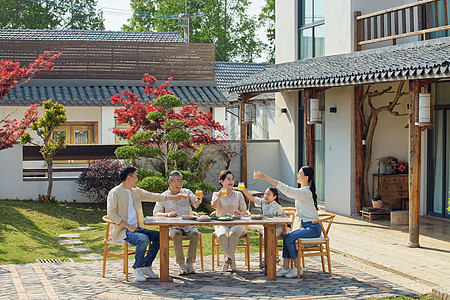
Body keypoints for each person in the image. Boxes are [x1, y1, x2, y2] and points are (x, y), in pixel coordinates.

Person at [107, 166, 183, 282]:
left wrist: (174, 197)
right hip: (123, 230)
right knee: (143, 239)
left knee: (160, 237)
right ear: (129, 178)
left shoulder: (136, 191)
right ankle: (137, 268)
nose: (137, 179)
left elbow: (154, 196)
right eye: (136, 177)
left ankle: (146, 266)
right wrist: (128, 226)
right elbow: (111, 214)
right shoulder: (115, 192)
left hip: (137, 228)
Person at [254, 166, 320, 278]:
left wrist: (265, 177)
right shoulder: (302, 191)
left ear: (306, 177)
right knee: (287, 237)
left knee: (288, 238)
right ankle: (285, 268)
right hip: (307, 226)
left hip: (313, 228)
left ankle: (297, 267)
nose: (297, 175)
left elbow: (286, 189)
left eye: (300, 173)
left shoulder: (305, 192)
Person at [153, 170, 202, 275]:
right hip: (172, 226)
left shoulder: (187, 192)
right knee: (176, 235)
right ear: (170, 182)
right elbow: (156, 214)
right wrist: (168, 214)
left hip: (187, 225)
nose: (179, 183)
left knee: (195, 234)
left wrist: (199, 198)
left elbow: (196, 204)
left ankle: (190, 263)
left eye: (181, 181)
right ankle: (181, 265)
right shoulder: (164, 196)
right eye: (177, 181)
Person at [241, 187, 288, 268]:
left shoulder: (278, 207)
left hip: (278, 227)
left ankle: (270, 258)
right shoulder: (263, 202)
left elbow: (285, 219)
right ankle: (271, 257)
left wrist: (284, 231)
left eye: (268, 195)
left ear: (274, 197)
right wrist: (244, 190)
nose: (265, 196)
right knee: (267, 234)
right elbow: (251, 198)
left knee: (272, 236)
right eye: (265, 194)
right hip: (267, 226)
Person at [211, 170, 247, 272]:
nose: (231, 181)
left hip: (237, 223)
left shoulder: (238, 194)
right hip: (221, 223)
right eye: (228, 179)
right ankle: (231, 259)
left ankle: (227, 260)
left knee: (233, 234)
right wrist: (218, 197)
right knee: (222, 235)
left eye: (232, 179)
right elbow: (214, 206)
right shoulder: (216, 194)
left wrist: (240, 213)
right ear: (222, 181)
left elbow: (244, 211)